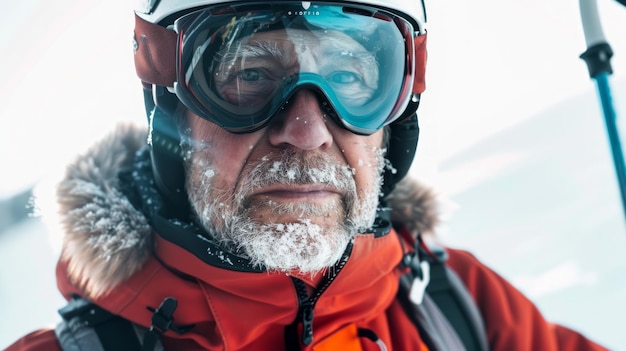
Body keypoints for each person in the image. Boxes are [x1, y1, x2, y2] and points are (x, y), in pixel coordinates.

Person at [4, 1, 610, 350]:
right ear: (172, 109)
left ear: (396, 119)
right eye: (248, 76)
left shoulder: (459, 310)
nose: (307, 130)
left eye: (349, 79)